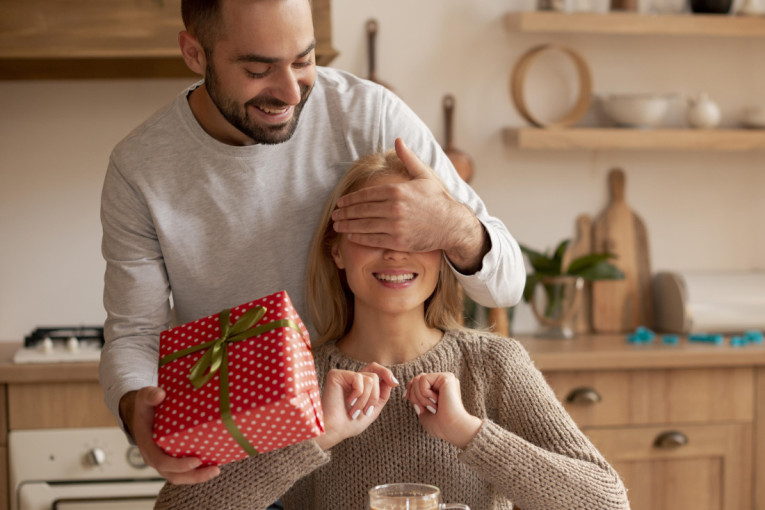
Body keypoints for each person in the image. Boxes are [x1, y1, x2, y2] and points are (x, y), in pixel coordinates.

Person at [99, 0, 525, 490]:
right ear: (194, 52)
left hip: (361, 439)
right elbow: (134, 335)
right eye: (258, 69)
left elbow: (507, 282)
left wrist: (454, 225)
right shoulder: (140, 167)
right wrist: (138, 413)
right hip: (242, 462)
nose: (288, 91)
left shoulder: (369, 115)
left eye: (304, 61)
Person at [152, 150, 630, 510]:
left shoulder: (493, 364)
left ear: (442, 250)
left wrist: (469, 433)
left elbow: (608, 501)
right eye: (372, 235)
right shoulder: (297, 375)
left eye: (415, 236)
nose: (396, 254)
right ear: (336, 252)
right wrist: (319, 436)